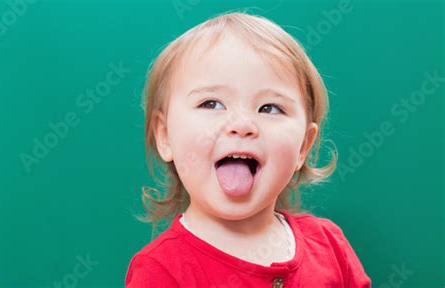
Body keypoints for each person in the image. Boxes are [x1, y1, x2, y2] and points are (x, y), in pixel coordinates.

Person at [125, 11, 372, 287]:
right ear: (165, 135)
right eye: (211, 104)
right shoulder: (161, 270)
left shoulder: (329, 245)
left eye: (270, 108)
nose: (242, 125)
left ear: (303, 146)